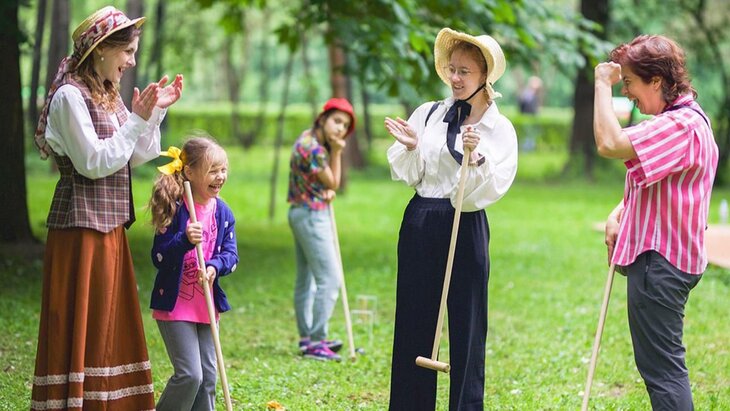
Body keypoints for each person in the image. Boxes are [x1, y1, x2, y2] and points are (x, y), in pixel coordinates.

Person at [29, 5, 183, 410]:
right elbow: (94, 163)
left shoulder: (108, 94)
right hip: (80, 229)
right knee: (84, 322)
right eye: (127, 51)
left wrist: (154, 113)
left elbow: (134, 155)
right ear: (100, 48)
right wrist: (135, 120)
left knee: (106, 324)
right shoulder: (69, 97)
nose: (131, 61)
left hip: (108, 227)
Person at [384, 28, 517, 410]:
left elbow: (491, 187)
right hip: (421, 218)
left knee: (467, 324)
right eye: (452, 69)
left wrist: (476, 161)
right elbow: (414, 175)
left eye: (465, 71)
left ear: (484, 76)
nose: (455, 78)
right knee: (413, 322)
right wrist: (413, 147)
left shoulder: (498, 128)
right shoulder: (428, 113)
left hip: (465, 221)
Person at [594, 35, 718, 410]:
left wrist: (602, 84)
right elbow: (656, 179)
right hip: (664, 262)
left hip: (659, 264)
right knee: (661, 369)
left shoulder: (679, 126)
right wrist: (619, 212)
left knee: (663, 374)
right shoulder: (684, 120)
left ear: (657, 81)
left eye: (630, 82)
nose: (626, 91)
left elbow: (609, 143)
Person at [148, 136, 238, 410]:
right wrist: (185, 240)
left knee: (208, 378)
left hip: (206, 305)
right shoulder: (176, 210)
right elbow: (159, 256)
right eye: (212, 170)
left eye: (223, 170)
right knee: (190, 375)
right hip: (176, 306)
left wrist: (214, 266)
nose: (220, 176)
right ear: (189, 172)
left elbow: (231, 256)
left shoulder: (222, 213)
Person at [287, 98, 356, 361]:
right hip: (312, 216)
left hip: (301, 211)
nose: (340, 129)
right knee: (330, 279)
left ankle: (308, 338)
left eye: (345, 126)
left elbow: (321, 184)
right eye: (337, 121)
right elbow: (334, 182)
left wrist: (324, 190)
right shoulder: (313, 149)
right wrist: (337, 152)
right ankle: (317, 342)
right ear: (323, 118)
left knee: (306, 280)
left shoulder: (307, 139)